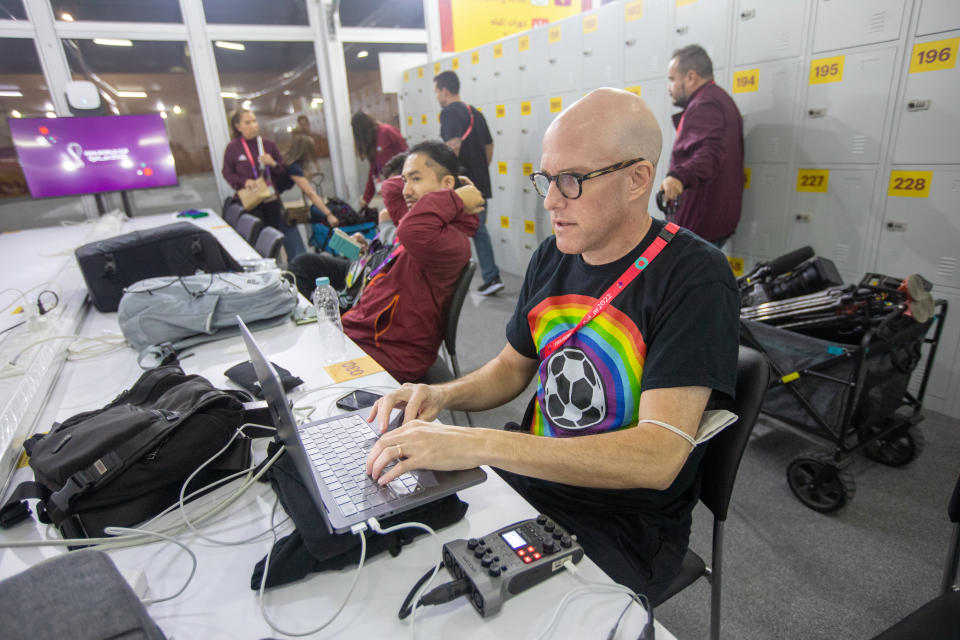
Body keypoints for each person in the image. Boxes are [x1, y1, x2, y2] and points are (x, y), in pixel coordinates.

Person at [364, 88, 740, 602]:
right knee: (392, 559)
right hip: (528, 478)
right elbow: (509, 369)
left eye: (572, 180)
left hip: (619, 519)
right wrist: (441, 397)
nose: (550, 200)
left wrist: (476, 443)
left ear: (637, 179)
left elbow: (657, 456)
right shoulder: (553, 255)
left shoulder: (694, 276)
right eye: (547, 178)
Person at [341, 141, 484, 382]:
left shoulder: (450, 239)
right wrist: (449, 191)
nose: (406, 190)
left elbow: (411, 229)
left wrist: (453, 199)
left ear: (448, 184)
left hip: (387, 353)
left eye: (415, 179)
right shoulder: (425, 219)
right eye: (405, 180)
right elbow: (389, 188)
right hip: (365, 334)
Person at [287, 152, 408, 299]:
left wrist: (386, 224)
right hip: (361, 266)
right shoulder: (392, 212)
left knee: (306, 269)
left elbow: (396, 257)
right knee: (302, 263)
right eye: (388, 190)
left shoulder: (414, 221)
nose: (391, 197)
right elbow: (382, 249)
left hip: (369, 277)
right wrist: (367, 246)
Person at [661, 44, 744, 249]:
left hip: (700, 224)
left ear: (690, 77)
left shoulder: (705, 104)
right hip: (713, 221)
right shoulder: (719, 99)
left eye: (672, 79)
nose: (669, 87)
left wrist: (678, 176)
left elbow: (710, 153)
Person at [433, 70, 503, 296]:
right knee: (478, 229)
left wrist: (447, 180)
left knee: (458, 230)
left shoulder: (449, 113)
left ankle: (456, 281)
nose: (436, 96)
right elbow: (489, 147)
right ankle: (491, 277)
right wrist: (480, 171)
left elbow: (453, 147)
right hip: (479, 180)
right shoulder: (476, 113)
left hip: (461, 183)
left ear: (445, 90)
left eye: (436, 91)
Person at [221, 109, 287, 232]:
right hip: (250, 200)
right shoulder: (233, 147)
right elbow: (227, 172)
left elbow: (282, 170)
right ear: (238, 127)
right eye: (248, 122)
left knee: (272, 236)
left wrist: (272, 163)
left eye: (254, 121)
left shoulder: (268, 145)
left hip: (270, 199)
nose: (253, 125)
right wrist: (244, 182)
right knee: (255, 237)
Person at [351, 111, 408, 212]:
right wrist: (366, 199)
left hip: (403, 185)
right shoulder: (372, 141)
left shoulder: (387, 131)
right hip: (390, 189)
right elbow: (373, 172)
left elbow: (407, 153)